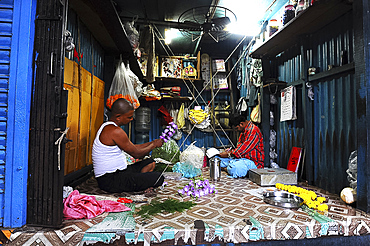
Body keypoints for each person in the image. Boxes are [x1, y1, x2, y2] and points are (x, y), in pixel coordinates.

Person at [92, 98, 164, 193]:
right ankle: (140, 184)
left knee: (150, 162)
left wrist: (153, 142)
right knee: (159, 178)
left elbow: (133, 147)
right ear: (118, 117)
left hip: (120, 172)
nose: (131, 119)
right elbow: (137, 154)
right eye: (129, 117)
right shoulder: (115, 131)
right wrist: (154, 145)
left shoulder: (107, 126)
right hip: (110, 180)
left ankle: (140, 183)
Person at [217, 113, 264, 178]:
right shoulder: (243, 132)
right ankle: (228, 167)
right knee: (217, 160)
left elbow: (241, 151)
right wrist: (229, 151)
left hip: (253, 163)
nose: (236, 130)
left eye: (236, 128)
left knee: (234, 168)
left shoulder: (253, 131)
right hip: (241, 159)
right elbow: (239, 149)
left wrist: (228, 154)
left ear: (241, 124)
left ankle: (228, 168)